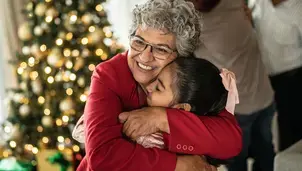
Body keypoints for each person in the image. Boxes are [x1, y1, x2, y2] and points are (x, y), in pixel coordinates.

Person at [75, 0, 242, 170]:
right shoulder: (109, 74)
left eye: (161, 49)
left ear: (181, 55)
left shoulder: (187, 75)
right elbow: (102, 157)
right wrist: (179, 165)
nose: (145, 57)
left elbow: (230, 142)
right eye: (139, 42)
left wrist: (160, 118)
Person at [187, 0, 276, 171]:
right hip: (243, 107)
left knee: (259, 154)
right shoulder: (192, 22)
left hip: (257, 101)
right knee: (246, 157)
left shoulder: (195, 21)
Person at [252, 0, 302, 151]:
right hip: (262, 78)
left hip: (293, 79)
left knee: (290, 131)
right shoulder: (258, 3)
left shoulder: (298, 8)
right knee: (263, 129)